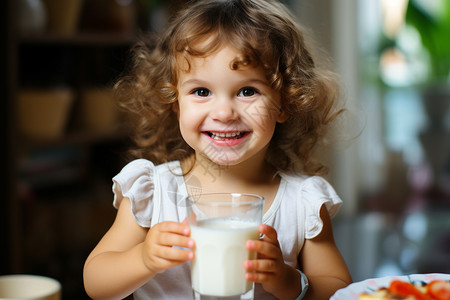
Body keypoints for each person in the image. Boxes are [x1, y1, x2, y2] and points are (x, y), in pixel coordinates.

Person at [83, 0, 353, 299]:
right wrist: (143, 259)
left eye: (248, 91)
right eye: (201, 91)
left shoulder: (302, 203)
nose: (224, 113)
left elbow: (339, 287)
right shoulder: (154, 192)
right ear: (175, 103)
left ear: (284, 103)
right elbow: (96, 283)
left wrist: (289, 281)